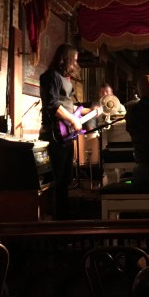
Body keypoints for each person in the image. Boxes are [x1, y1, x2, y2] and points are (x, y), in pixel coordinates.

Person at [39, 43, 91, 219]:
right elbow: (52, 105)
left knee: (64, 180)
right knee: (57, 179)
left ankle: (63, 217)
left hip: (65, 135)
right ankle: (57, 221)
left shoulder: (65, 80)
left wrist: (91, 111)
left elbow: (69, 106)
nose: (76, 64)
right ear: (65, 59)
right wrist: (72, 120)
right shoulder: (50, 76)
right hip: (55, 135)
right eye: (74, 60)